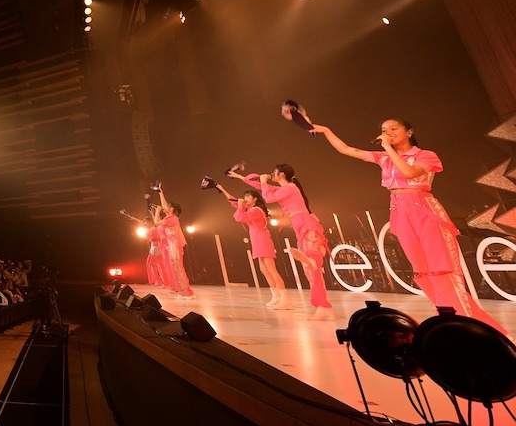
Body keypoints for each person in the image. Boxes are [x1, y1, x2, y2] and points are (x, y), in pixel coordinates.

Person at [310, 118, 506, 333]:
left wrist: (387, 147)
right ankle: (447, 321)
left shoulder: (425, 155)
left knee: (442, 271)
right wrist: (327, 130)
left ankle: (468, 327)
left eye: (394, 129)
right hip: (399, 212)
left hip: (424, 211)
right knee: (423, 272)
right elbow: (348, 150)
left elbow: (410, 173)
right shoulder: (384, 158)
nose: (388, 133)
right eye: (384, 130)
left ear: (409, 132)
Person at [230, 165, 332, 320]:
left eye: (274, 172)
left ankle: (323, 306)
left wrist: (264, 182)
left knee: (313, 264)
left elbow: (268, 198)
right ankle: (323, 306)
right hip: (299, 225)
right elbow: (260, 187)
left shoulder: (290, 188)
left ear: (282, 174)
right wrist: (239, 177)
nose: (271, 174)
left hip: (307, 225)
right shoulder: (284, 189)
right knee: (310, 268)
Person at [211, 180, 290, 308]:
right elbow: (234, 202)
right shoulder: (251, 209)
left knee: (271, 269)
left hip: (263, 240)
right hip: (257, 240)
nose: (245, 198)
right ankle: (276, 296)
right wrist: (223, 189)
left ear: (255, 199)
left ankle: (285, 298)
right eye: (245, 196)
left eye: (248, 196)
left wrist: (241, 206)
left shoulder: (256, 211)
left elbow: (239, 217)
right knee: (264, 269)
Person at [152, 184, 194, 299]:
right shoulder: (170, 218)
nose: (165, 207)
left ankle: (187, 291)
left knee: (178, 268)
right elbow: (164, 203)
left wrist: (157, 211)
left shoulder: (171, 219)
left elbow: (156, 222)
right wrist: (160, 192)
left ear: (172, 209)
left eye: (167, 206)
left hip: (174, 245)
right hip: (170, 245)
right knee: (175, 268)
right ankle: (180, 289)